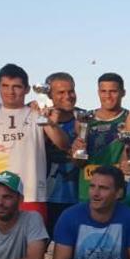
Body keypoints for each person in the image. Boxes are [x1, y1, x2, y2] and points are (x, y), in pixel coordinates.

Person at [0, 64, 69, 222]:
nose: (10, 92)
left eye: (17, 87)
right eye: (5, 86)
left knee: (33, 245)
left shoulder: (37, 113)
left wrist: (50, 123)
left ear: (27, 89)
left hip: (31, 194)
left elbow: (63, 144)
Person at [73, 73, 128, 202]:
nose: (107, 96)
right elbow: (79, 162)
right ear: (98, 92)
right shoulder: (85, 119)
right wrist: (76, 152)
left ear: (123, 92)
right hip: (88, 192)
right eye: (103, 91)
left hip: (116, 192)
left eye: (113, 91)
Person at [43, 72, 80, 236]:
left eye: (71, 91)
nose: (68, 96)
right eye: (61, 92)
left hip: (80, 197)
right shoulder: (40, 118)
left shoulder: (86, 118)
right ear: (49, 94)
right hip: (47, 198)